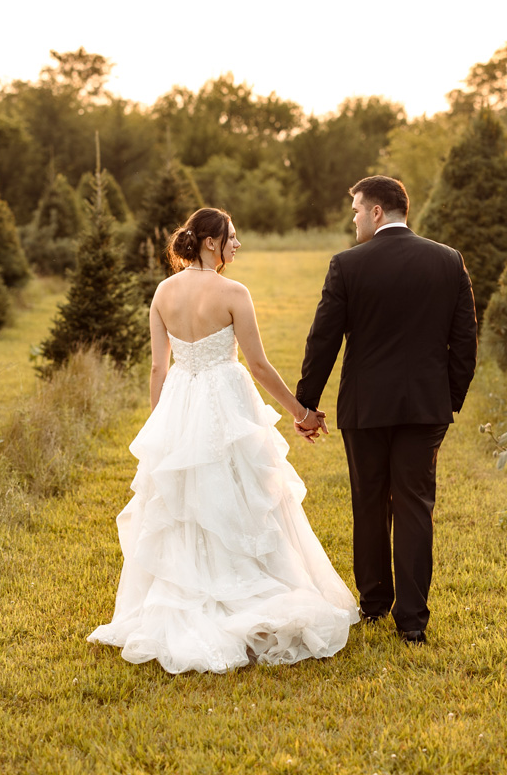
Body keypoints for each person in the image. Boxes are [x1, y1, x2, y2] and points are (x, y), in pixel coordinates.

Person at [88, 207, 358, 673]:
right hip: (225, 400)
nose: (238, 245)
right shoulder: (233, 292)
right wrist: (302, 413)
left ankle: (192, 593)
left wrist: (160, 427)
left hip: (180, 400)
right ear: (211, 242)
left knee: (187, 501)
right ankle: (244, 595)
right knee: (240, 495)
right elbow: (258, 365)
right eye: (232, 237)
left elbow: (158, 367)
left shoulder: (162, 292)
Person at [295, 175, 478, 645]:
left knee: (370, 503)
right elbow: (465, 344)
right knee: (416, 507)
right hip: (426, 407)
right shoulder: (448, 261)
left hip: (366, 406)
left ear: (377, 212)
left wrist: (307, 403)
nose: (353, 218)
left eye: (356, 209)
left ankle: (374, 605)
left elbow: (324, 339)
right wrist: (447, 400)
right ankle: (413, 621)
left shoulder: (348, 265)